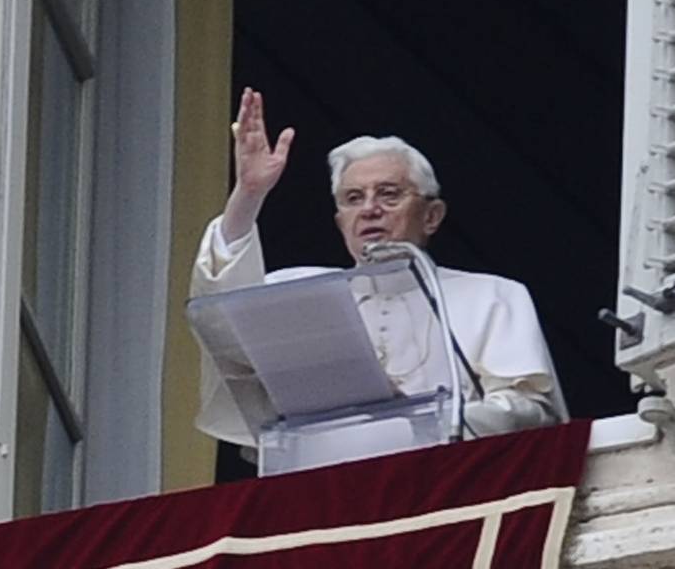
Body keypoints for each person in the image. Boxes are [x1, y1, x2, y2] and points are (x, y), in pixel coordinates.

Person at [191, 86, 565, 448]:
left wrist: (420, 419)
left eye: (389, 194)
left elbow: (530, 415)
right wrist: (249, 196)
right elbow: (223, 325)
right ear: (341, 222)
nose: (370, 209)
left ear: (432, 216)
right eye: (354, 198)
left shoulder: (493, 296)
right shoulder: (298, 290)